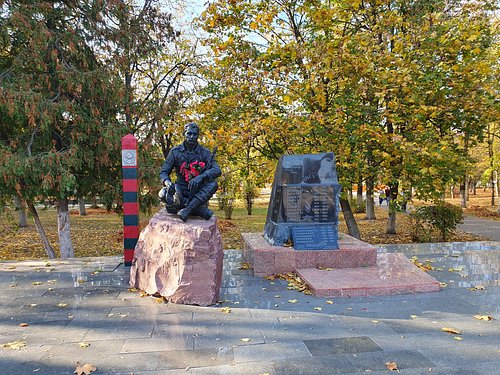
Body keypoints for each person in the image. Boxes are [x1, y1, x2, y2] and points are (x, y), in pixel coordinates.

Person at [159, 122, 221, 222]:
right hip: (180, 189)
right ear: (184, 134)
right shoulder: (175, 152)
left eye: (194, 134)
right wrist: (167, 182)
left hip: (197, 190)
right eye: (189, 133)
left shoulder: (204, 152)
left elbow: (217, 170)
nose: (191, 137)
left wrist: (201, 177)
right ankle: (198, 209)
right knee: (162, 194)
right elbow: (164, 172)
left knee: (213, 184)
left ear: (198, 135)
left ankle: (186, 210)